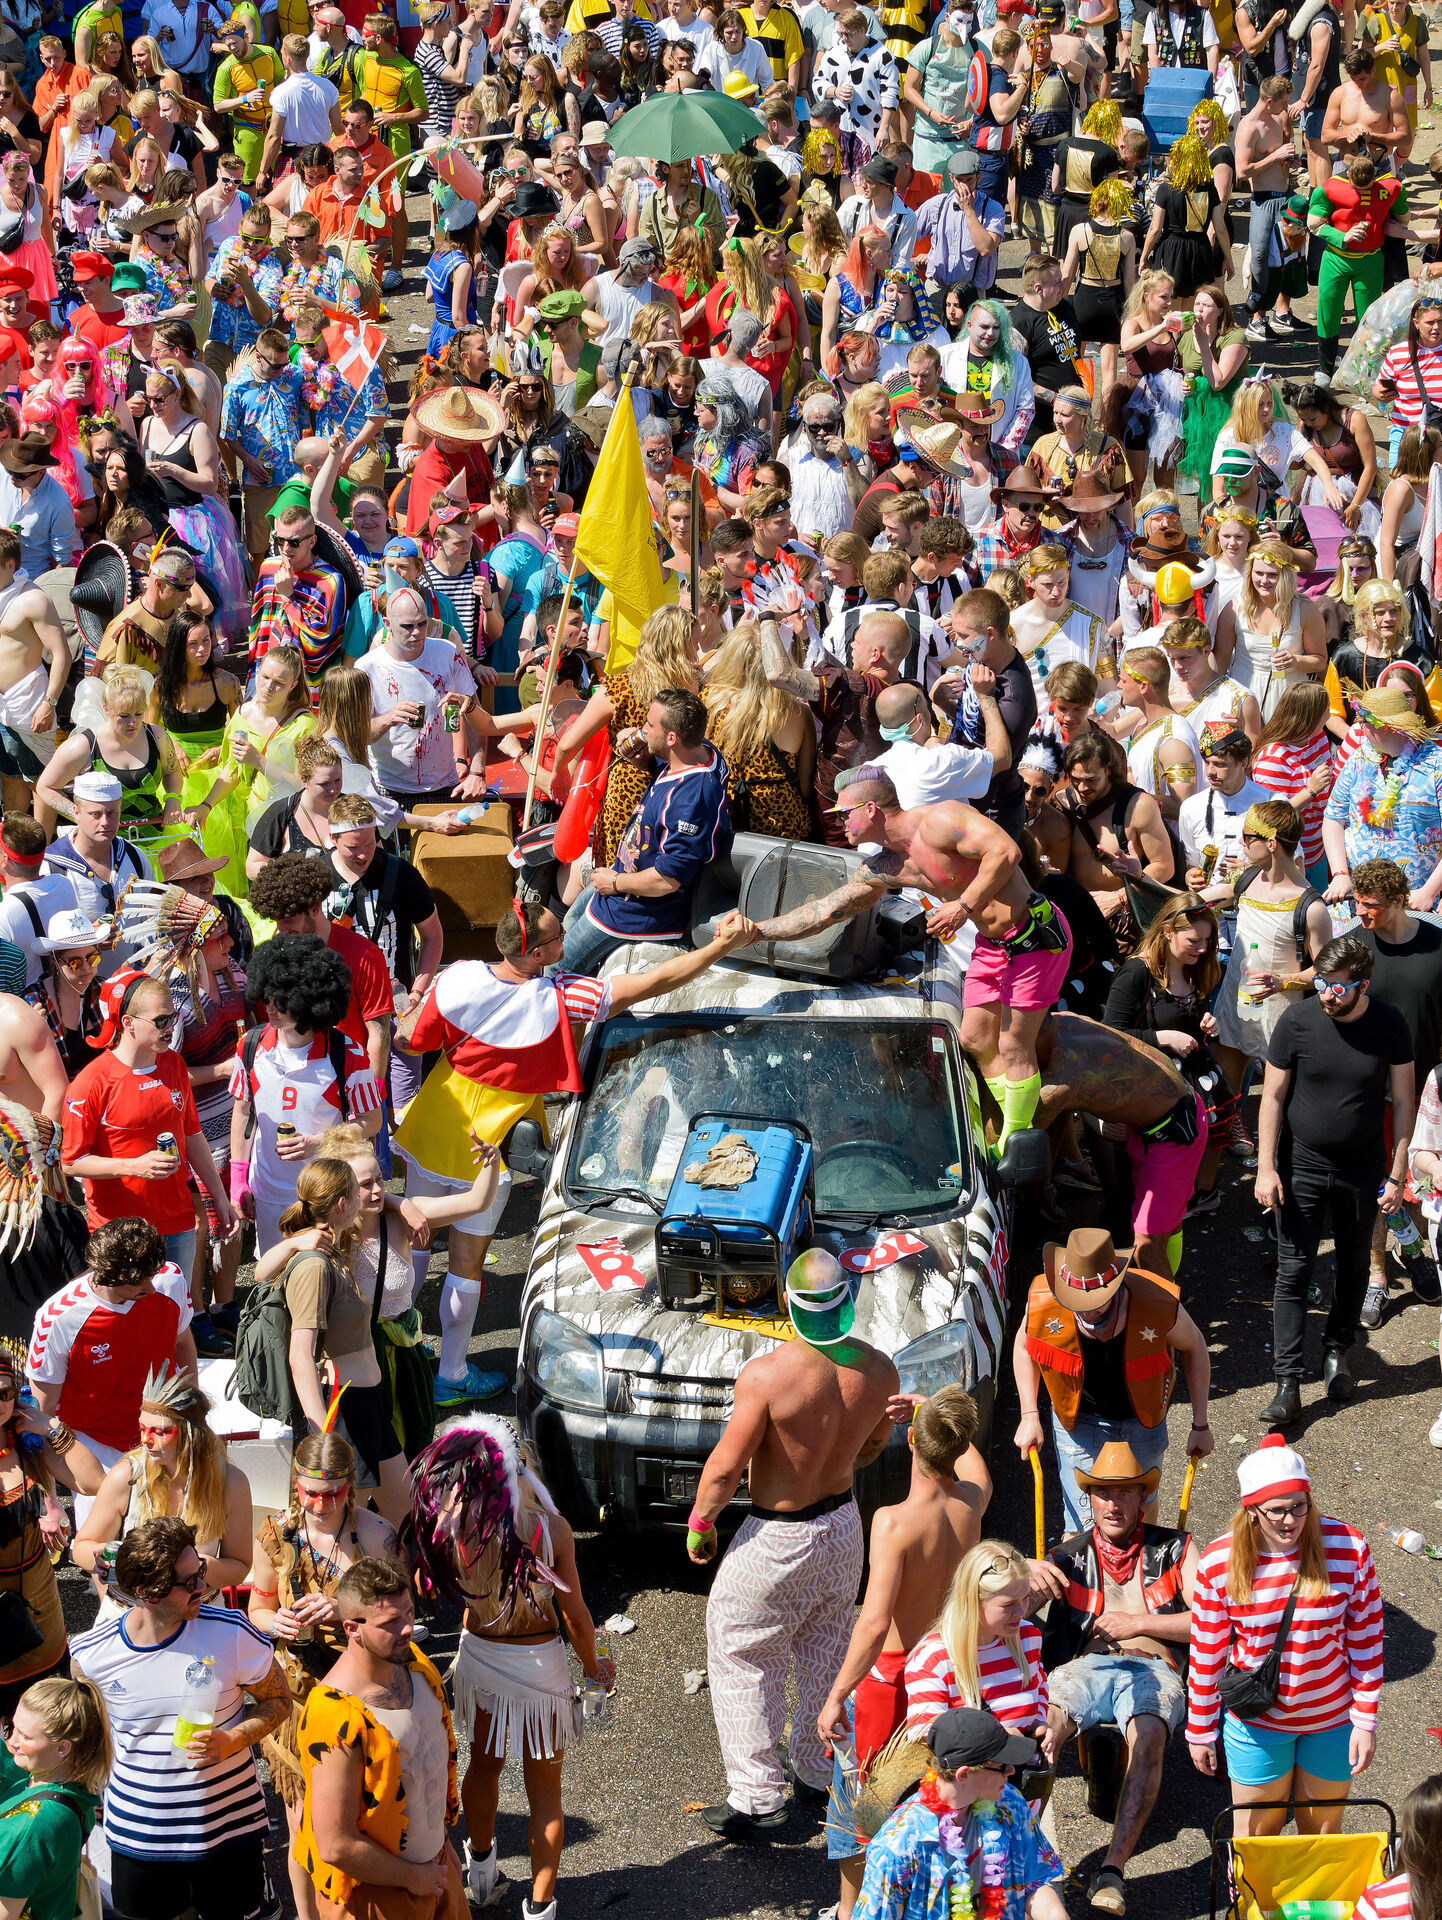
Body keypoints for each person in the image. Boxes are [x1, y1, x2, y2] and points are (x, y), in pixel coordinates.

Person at [393, 902, 755, 1405]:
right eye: (558, 935)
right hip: (487, 1144)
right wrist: (720, 947)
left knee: (410, 1241)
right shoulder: (563, 996)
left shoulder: (458, 976)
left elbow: (411, 1042)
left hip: (434, 1121)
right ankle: (450, 1375)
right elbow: (655, 982)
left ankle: (394, 1355)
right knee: (465, 1264)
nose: (567, 935)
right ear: (538, 954)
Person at [743, 755, 1067, 1155]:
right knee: (974, 1038)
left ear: (870, 809)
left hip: (1033, 937)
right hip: (992, 945)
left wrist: (962, 906)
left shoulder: (939, 820)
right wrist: (757, 932)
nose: (838, 822)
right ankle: (1012, 1124)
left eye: (842, 813)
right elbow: (826, 911)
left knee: (1014, 1046)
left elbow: (1006, 851)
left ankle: (1015, 1146)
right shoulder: (884, 866)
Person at [686, 1249, 901, 1839]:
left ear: (787, 1301)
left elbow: (724, 1470)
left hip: (778, 1535)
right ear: (847, 1302)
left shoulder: (767, 1376)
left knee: (739, 1650)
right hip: (844, 1525)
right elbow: (874, 1445)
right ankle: (814, 1768)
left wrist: (702, 1525)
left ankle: (756, 1795)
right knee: (824, 1647)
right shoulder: (879, 1370)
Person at [409, 1416, 610, 1918]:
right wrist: (594, 1668)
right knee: (545, 1791)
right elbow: (576, 1616)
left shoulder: (455, 1528)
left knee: (484, 1764)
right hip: (540, 1666)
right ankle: (540, 1907)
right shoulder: (551, 1529)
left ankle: (481, 1874)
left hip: (481, 1658)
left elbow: (422, 1581)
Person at [817, 1386, 991, 1920]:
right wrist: (932, 1413)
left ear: (910, 1439)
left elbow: (873, 1625)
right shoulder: (971, 1504)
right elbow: (978, 1471)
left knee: (862, 1809)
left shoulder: (893, 1522)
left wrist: (837, 1695)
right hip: (945, 1670)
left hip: (890, 1682)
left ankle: (852, 1911)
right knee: (927, 1799)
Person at [68, 1514, 290, 1920]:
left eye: (200, 1572)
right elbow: (89, 1738)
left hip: (229, 1831)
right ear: (145, 1592)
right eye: (188, 1582)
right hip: (140, 1837)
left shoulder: (232, 1633)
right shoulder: (91, 1656)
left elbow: (279, 1700)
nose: (202, 1587)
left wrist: (234, 1739)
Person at [1031, 1441, 1198, 1917]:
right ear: (1090, 1498)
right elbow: (1008, 1604)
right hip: (1086, 1667)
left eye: (1124, 1492)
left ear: (1142, 1497)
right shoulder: (1068, 1556)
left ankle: (1112, 1870)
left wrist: (1138, 1624)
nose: (1113, 1503)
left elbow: (1211, 1620)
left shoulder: (1177, 1548)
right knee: (1044, 1726)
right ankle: (1021, 1853)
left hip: (1153, 1669)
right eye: (1103, 1493)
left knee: (1149, 1735)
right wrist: (1024, 1575)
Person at [1186, 1438, 1383, 1837]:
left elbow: (1366, 1640)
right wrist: (1201, 1729)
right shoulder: (1220, 1561)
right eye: (1276, 1510)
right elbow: (1207, 1652)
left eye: (1299, 1506)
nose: (1290, 1520)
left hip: (1332, 1720)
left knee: (1321, 1836)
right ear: (1251, 1510)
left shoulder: (1348, 1547)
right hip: (1258, 1724)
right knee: (1257, 1839)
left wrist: (1365, 1719)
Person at [1257, 932, 1415, 1420]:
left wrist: (1397, 1173)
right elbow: (1272, 1096)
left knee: (1352, 1265)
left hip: (1361, 1169)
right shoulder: (1297, 1020)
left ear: (1363, 985)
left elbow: (1404, 1101)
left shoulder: (1390, 1024)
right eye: (1322, 983)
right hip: (1300, 1165)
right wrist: (1265, 1167)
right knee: (1293, 1270)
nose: (1327, 994)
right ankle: (1287, 1383)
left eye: (1339, 987)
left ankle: (1337, 1351)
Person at [246, 1431, 401, 1920]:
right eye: (311, 1492)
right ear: (296, 1484)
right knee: (302, 1831)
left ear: (350, 1484)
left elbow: (402, 1619)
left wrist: (343, 1610)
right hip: (299, 1702)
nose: (321, 1504)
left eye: (333, 1492)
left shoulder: (375, 1536)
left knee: (361, 1824)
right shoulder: (275, 1534)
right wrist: (276, 1622)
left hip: (361, 1700)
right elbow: (257, 1608)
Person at [1013, 1225, 1212, 1531]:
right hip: (1078, 1422)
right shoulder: (1043, 1300)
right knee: (1080, 1522)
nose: (1085, 1311)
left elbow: (1195, 1346)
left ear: (1116, 1285)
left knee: (1141, 1510)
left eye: (1094, 1301)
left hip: (1142, 1420)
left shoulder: (1155, 1301)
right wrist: (1029, 1415)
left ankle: (1141, 1560)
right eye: (1075, 1301)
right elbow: (1024, 1345)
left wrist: (1200, 1424)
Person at [228, 933, 383, 1258]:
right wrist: (238, 1178)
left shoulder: (348, 1053)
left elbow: (372, 1121)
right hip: (268, 1196)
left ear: (310, 999)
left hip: (328, 1196)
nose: (270, 1007)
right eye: (268, 996)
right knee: (274, 1277)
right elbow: (242, 1112)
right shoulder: (249, 1047)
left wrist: (319, 1142)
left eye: (283, 1001)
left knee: (327, 1277)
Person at [560, 686, 732, 976]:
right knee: (568, 922)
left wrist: (616, 882)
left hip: (636, 912)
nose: (642, 730)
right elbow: (670, 768)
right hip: (623, 886)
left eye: (650, 725)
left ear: (672, 738)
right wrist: (646, 760)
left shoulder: (691, 799)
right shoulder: (700, 751)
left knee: (557, 967)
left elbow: (668, 880)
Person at [72, 1366, 252, 1619]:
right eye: (142, 1428)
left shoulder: (231, 1483)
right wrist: (101, 1557)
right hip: (133, 1614)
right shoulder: (127, 1476)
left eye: (160, 1432)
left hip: (200, 1613)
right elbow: (81, 1548)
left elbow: (239, 1567)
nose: (146, 1440)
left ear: (191, 1435)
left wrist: (196, 1567)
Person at [853, 1707, 1066, 1920]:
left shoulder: (1009, 1804)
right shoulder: (897, 1846)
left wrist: (1057, 1915)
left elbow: (1033, 1881)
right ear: (964, 1775)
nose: (1012, 1771)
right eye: (1002, 1765)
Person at [1347, 856, 1442, 1324]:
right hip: (1371, 1088)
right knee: (1377, 1186)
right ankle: (1377, 1277)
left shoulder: (1438, 945)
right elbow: (1325, 987)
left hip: (1428, 1090)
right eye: (1358, 903)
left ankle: (1418, 1253)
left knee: (1420, 1184)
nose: (1362, 913)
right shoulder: (1355, 946)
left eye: (1372, 905)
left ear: (1402, 900)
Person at [1105, 894, 1234, 1219]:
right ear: (1167, 931)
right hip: (1151, 1086)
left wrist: (1207, 1026)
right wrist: (1162, 1038)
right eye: (1194, 941)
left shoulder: (1194, 968)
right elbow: (1109, 1035)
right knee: (1150, 1175)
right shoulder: (1137, 973)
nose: (1202, 949)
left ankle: (1191, 1199)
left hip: (1189, 1079)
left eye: (1207, 941)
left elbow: (1192, 1021)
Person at [903, 1539, 1050, 1747]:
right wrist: (998, 1741)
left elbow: (1041, 1686)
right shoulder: (933, 1658)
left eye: (1026, 1598)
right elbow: (924, 1737)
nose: (1021, 1611)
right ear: (972, 1600)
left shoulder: (1028, 1637)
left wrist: (1040, 1723)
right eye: (1008, 1604)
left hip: (1022, 1764)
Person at [0, 1673, 112, 1920]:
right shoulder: (74, 1785)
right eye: (13, 1726)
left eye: (26, 1737)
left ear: (63, 1747)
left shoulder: (35, 1826)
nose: (12, 1741)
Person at [1323, 685, 1442, 910]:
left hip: (1413, 903)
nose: (1359, 726)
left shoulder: (1436, 764)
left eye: (1364, 720)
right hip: (1357, 902)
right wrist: (1340, 874)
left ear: (1384, 727)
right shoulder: (1359, 758)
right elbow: (1333, 818)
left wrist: (1430, 891)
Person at [1214, 543, 1327, 725]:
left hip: (1289, 698)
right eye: (1259, 573)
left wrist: (1295, 660)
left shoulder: (1305, 609)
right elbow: (1220, 662)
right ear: (1250, 573)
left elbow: (1320, 661)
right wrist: (1218, 701)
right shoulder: (1234, 608)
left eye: (1272, 575)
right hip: (1244, 693)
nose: (1264, 580)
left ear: (1286, 575)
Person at [1250, 684, 1335, 892]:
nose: (1330, 712)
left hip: (1318, 849)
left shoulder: (1317, 737)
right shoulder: (1273, 759)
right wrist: (1310, 790)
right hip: (1292, 857)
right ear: (1311, 715)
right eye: (1326, 708)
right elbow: (1271, 817)